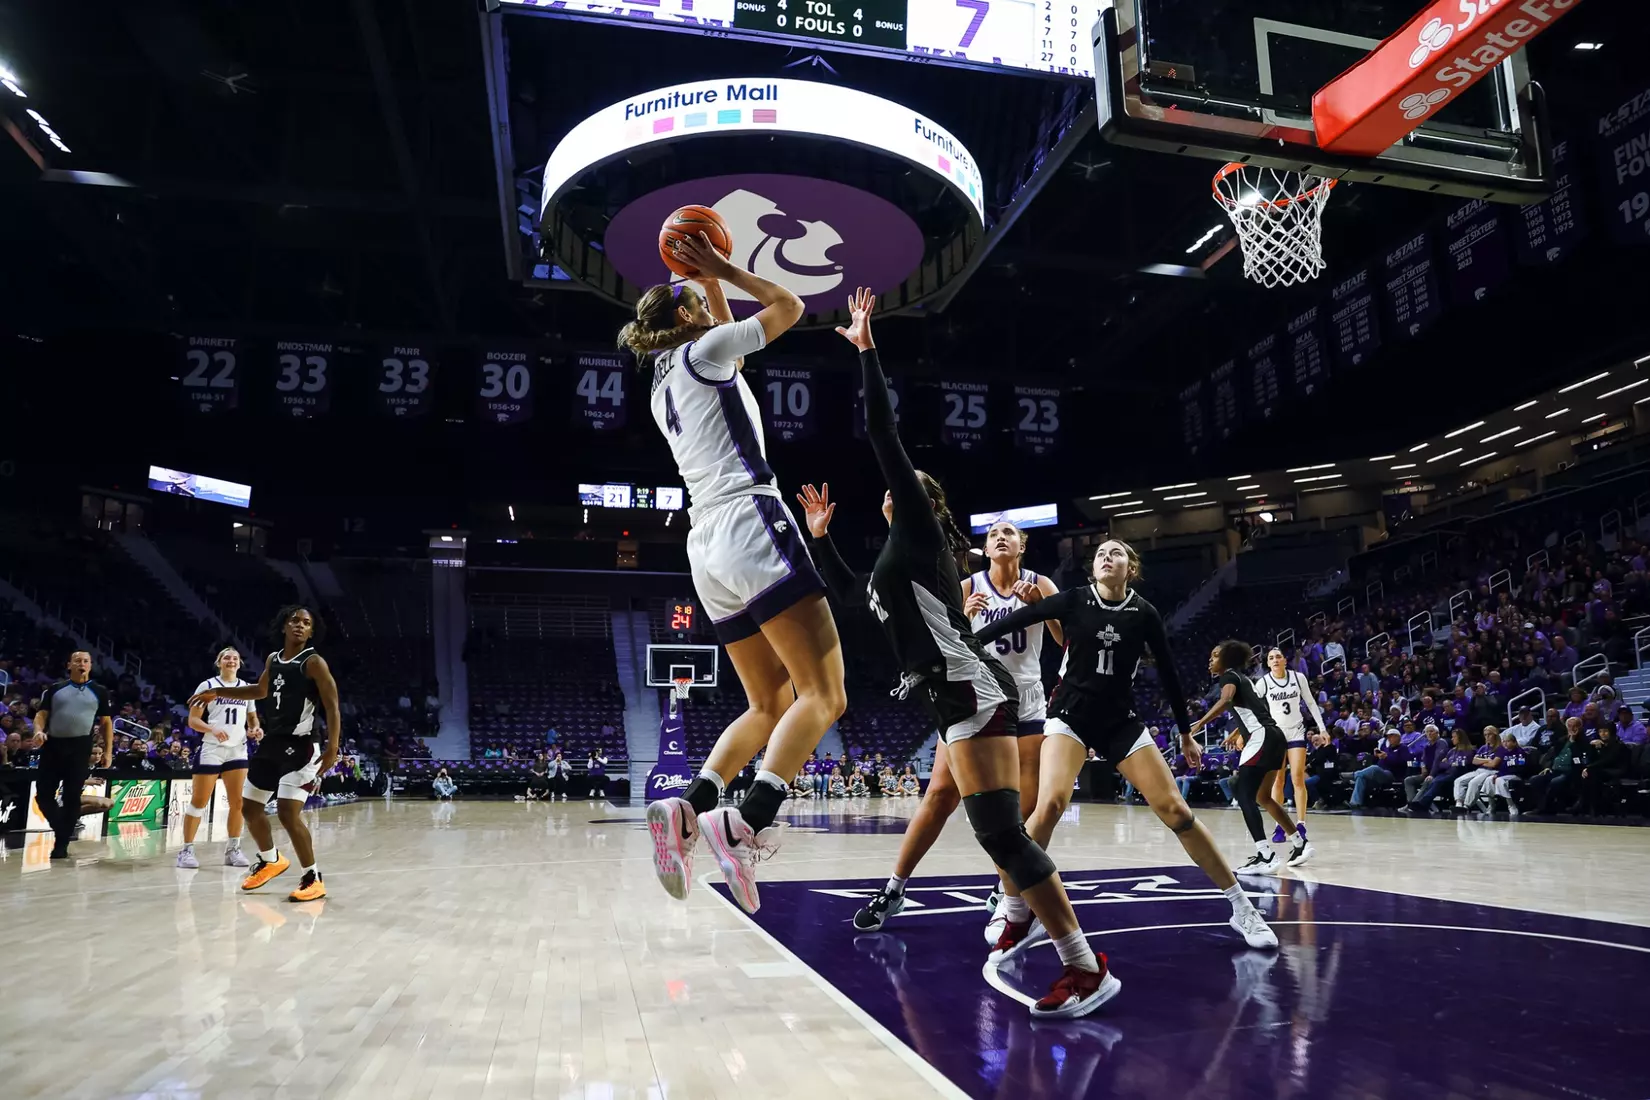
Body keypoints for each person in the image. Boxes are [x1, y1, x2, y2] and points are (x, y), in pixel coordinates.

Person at [804, 288, 1113, 1018]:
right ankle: (1063, 946)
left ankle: (1080, 959)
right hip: (955, 694)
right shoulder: (893, 556)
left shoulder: (917, 528)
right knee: (997, 830)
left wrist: (865, 349)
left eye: (905, 486)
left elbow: (882, 433)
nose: (892, 489)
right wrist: (821, 540)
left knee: (1001, 832)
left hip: (970, 689)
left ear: (921, 499)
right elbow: (851, 597)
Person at [632, 236, 848, 910]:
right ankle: (746, 820)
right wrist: (723, 267)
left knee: (768, 703)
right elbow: (790, 305)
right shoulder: (705, 351)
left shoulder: (669, 377)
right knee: (824, 693)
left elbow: (742, 345)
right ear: (693, 316)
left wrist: (708, 288)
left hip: (705, 545)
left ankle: (689, 806)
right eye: (704, 303)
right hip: (751, 520)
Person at [974, 546, 1280, 947]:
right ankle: (1013, 908)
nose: (1106, 557)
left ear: (1129, 568)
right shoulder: (1074, 599)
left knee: (1178, 811)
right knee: (1049, 805)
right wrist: (968, 645)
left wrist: (1186, 733)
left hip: (1120, 721)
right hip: (1070, 717)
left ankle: (1243, 908)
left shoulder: (1145, 613)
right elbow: (1018, 618)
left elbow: (1170, 673)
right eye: (1100, 553)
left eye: (1116, 553)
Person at [829, 511, 1059, 938]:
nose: (1001, 537)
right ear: (984, 549)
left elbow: (1067, 638)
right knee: (937, 795)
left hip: (1025, 700)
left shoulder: (1041, 584)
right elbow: (945, 632)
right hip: (974, 696)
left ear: (1023, 545)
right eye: (993, 534)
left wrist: (1041, 609)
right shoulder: (968, 585)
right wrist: (966, 615)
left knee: (1016, 811)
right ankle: (893, 889)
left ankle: (1006, 898)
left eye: (1009, 532)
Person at [188, 606, 341, 902]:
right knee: (249, 807)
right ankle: (271, 860)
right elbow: (260, 691)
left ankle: (313, 876)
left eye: (306, 623)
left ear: (311, 632)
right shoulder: (274, 659)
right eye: (294, 620)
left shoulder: (313, 662)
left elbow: (332, 704)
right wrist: (217, 693)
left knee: (287, 812)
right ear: (284, 625)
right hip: (274, 742)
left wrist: (333, 746)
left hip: (302, 745)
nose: (299, 625)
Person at [1189, 642, 1308, 877]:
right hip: (1275, 736)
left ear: (1228, 659)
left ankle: (1265, 854)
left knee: (1242, 792)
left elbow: (1225, 701)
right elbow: (1256, 708)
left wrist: (1199, 724)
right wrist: (1237, 732)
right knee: (1262, 796)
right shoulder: (1243, 678)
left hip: (1261, 736)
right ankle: (1299, 841)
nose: (1210, 661)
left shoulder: (1228, 677)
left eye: (1215, 656)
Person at [177, 647, 261, 870]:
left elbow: (252, 718)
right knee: (199, 801)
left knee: (238, 803)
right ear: (219, 662)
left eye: (235, 658)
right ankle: (186, 851)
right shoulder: (207, 686)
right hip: (212, 748)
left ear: (240, 663)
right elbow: (193, 721)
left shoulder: (246, 688)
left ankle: (233, 850)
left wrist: (255, 729)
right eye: (227, 657)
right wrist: (212, 728)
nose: (231, 660)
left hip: (238, 749)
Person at [30, 651, 113, 859]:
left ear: (91, 666)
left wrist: (108, 751)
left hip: (80, 746)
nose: (81, 664)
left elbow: (106, 723)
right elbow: (41, 715)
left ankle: (61, 844)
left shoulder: (99, 691)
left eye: (86, 661)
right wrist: (38, 731)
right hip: (53, 744)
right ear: (69, 665)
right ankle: (62, 829)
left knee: (71, 797)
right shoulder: (56, 689)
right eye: (77, 661)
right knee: (43, 795)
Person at [1256, 647, 1324, 855]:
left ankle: (1301, 824)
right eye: (1271, 658)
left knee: (1297, 778)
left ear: (1285, 660)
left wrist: (1322, 728)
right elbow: (1252, 707)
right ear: (1267, 664)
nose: (1275, 660)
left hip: (1296, 732)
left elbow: (1311, 702)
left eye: (1278, 656)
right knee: (1278, 780)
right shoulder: (1263, 682)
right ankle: (1280, 825)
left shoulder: (1298, 677)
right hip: (1276, 735)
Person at [1349, 729, 1412, 809]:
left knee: (1374, 768)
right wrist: (1376, 756)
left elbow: (1403, 762)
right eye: (1388, 737)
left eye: (1391, 736)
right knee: (1361, 778)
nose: (1389, 739)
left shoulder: (1403, 748)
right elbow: (1379, 762)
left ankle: (1353, 775)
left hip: (1393, 774)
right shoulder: (1387, 749)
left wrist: (1387, 757)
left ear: (1398, 737)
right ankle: (1355, 803)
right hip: (1380, 773)